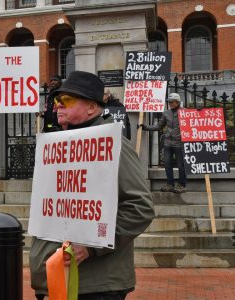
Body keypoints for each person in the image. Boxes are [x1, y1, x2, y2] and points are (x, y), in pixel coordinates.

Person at [29, 71, 155, 300]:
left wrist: (91, 247)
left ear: (91, 106)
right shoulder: (58, 145)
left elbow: (140, 208)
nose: (57, 106)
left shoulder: (114, 144)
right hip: (57, 282)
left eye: (65, 100)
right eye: (56, 101)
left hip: (95, 287)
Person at [139, 93, 186, 193]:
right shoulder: (166, 113)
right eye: (169, 102)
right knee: (167, 164)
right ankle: (170, 184)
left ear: (177, 102)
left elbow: (193, 123)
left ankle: (182, 185)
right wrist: (145, 127)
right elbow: (159, 126)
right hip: (168, 143)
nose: (170, 104)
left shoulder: (185, 112)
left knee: (181, 165)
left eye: (172, 102)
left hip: (179, 143)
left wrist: (199, 113)